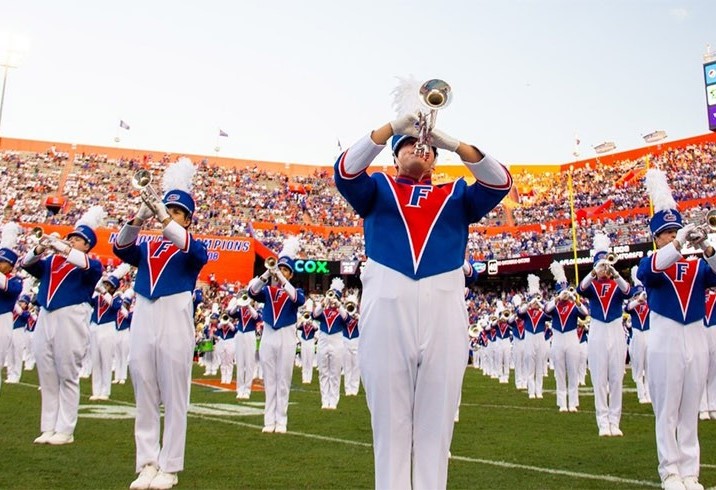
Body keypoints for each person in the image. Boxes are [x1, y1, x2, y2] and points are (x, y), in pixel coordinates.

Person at [334, 108, 511, 489]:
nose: (421, 149)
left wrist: (453, 143)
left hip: (444, 300)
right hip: (386, 297)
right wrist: (394, 127)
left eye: (428, 146)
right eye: (410, 144)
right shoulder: (378, 187)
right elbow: (345, 171)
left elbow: (500, 183)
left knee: (436, 423)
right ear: (395, 154)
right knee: (390, 423)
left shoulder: (457, 193)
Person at [113, 158, 208, 490]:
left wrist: (163, 215)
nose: (170, 213)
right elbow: (120, 246)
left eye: (178, 212)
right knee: (145, 387)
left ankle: (170, 465)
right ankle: (148, 462)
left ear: (187, 219)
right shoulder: (148, 247)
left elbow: (189, 246)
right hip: (145, 312)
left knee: (174, 391)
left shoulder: (194, 247)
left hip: (175, 313)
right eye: (168, 209)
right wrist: (141, 214)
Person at [636, 168, 716, 490]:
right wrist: (678, 244)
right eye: (667, 232)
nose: (672, 235)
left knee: (689, 409)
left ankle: (690, 473)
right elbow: (650, 270)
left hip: (695, 336)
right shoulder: (649, 262)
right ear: (657, 237)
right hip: (665, 338)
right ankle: (669, 471)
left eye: (675, 231)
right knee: (667, 409)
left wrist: (708, 248)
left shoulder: (698, 266)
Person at [22, 208, 105, 444]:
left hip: (71, 316)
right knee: (46, 372)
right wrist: (40, 248)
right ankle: (48, 427)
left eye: (78, 239)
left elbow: (86, 265)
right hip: (45, 315)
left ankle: (65, 429)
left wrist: (63, 248)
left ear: (87, 245)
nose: (71, 240)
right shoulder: (50, 262)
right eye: (71, 237)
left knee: (67, 373)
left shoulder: (91, 264)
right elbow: (27, 263)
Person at [247, 236, 305, 434]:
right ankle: (268, 420)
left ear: (290, 274)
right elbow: (251, 291)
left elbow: (298, 299)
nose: (281, 271)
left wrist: (280, 277)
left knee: (283, 381)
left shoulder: (295, 290)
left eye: (285, 270)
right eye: (280, 268)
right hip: (269, 335)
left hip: (286, 336)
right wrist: (267, 273)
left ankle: (282, 421)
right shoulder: (268, 291)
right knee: (269, 380)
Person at [578, 234, 631, 437]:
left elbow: (627, 291)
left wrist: (614, 272)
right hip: (598, 328)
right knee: (599, 377)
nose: (604, 269)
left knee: (616, 377)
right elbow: (582, 288)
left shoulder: (617, 283)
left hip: (616, 328)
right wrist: (594, 271)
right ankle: (602, 421)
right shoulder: (591, 286)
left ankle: (614, 421)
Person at [545, 261, 589, 414]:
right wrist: (557, 299)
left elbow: (585, 313)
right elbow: (546, 309)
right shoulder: (555, 305)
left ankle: (573, 402)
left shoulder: (573, 306)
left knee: (573, 370)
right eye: (562, 292)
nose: (564, 294)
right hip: (557, 338)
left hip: (571, 337)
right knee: (560, 371)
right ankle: (562, 402)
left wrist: (575, 298)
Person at [88, 263, 129, 401]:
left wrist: (104, 293)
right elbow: (90, 301)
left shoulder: (117, 297)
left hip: (108, 328)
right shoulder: (99, 297)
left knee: (106, 360)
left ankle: (105, 391)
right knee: (96, 360)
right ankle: (96, 390)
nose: (105, 286)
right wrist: (98, 286)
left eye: (108, 285)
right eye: (105, 284)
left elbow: (116, 306)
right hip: (95, 327)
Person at [314, 278, 348, 409]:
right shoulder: (324, 311)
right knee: (323, 372)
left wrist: (339, 305)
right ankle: (325, 400)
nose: (332, 299)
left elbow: (346, 318)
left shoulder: (341, 312)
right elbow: (314, 314)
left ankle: (333, 401)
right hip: (323, 339)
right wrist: (323, 303)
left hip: (337, 339)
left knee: (334, 372)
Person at [516, 274, 548, 399]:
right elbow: (519, 312)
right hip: (529, 337)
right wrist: (530, 303)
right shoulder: (527, 312)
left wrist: (539, 304)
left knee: (539, 364)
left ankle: (539, 391)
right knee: (530, 363)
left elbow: (549, 312)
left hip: (540, 336)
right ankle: (531, 391)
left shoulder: (542, 313)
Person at [0, 222, 24, 389]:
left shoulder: (15, 280)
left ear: (10, 265)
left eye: (2, 262)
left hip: (3, 319)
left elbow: (11, 289)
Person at [227, 291, 260, 399]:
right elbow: (231, 313)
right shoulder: (239, 311)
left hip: (250, 334)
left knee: (249, 363)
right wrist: (238, 303)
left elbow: (257, 318)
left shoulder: (255, 310)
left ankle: (247, 390)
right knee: (240, 362)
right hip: (240, 334)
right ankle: (240, 389)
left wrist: (249, 305)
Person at [625, 266, 650, 404]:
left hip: (649, 334)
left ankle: (649, 393)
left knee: (649, 367)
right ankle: (641, 394)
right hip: (638, 335)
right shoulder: (633, 306)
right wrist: (637, 300)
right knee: (638, 366)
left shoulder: (649, 305)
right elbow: (627, 308)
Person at [701, 289, 716, 420]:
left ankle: (713, 405)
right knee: (700, 371)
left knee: (713, 370)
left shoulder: (714, 296)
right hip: (699, 329)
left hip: (713, 330)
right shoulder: (694, 294)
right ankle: (702, 408)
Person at [342, 293, 361, 396]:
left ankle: (354, 389)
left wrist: (359, 319)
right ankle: (347, 389)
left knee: (356, 366)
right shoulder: (344, 315)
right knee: (347, 366)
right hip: (345, 340)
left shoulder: (360, 316)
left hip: (356, 341)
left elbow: (364, 327)